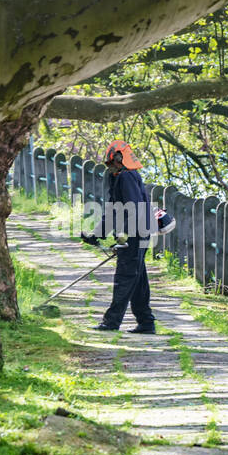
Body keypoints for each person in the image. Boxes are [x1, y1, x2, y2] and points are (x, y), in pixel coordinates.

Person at [94, 139, 156, 334]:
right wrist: (97, 233)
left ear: (120, 159)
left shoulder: (127, 177)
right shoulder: (122, 176)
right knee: (137, 279)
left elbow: (132, 208)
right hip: (139, 232)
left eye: (111, 163)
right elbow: (114, 209)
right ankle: (146, 322)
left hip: (136, 233)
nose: (109, 167)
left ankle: (111, 322)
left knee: (125, 276)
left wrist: (127, 237)